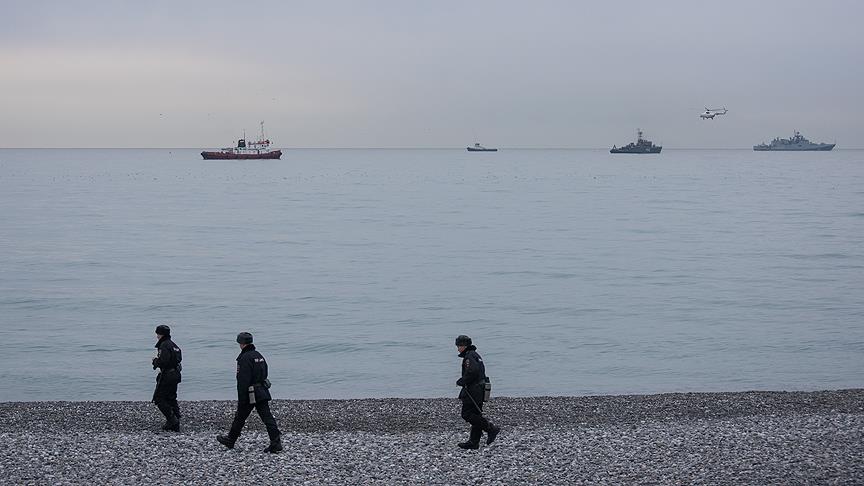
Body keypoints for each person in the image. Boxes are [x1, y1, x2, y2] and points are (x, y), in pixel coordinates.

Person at [217, 332, 283, 453]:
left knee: (240, 416)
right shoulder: (259, 355)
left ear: (241, 343)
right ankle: (276, 442)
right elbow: (265, 373)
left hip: (250, 393)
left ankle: (230, 439)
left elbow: (243, 380)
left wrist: (242, 398)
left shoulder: (244, 358)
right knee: (267, 417)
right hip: (262, 391)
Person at [455, 334, 500, 449]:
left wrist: (462, 381)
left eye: (459, 345)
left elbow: (473, 371)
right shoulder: (475, 355)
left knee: (467, 414)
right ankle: (474, 442)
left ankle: (491, 428)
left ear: (464, 346)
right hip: (481, 389)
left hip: (474, 390)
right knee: (476, 414)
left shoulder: (469, 356)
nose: (458, 348)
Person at [152, 324, 182, 432]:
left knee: (159, 399)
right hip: (176, 374)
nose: (157, 337)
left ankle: (172, 420)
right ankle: (176, 419)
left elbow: (164, 361)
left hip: (167, 375)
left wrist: (155, 361)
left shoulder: (164, 345)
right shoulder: (175, 346)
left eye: (158, 334)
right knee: (171, 397)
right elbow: (178, 359)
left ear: (161, 334)